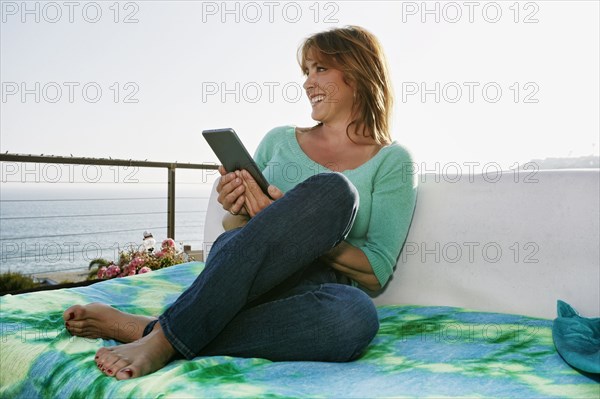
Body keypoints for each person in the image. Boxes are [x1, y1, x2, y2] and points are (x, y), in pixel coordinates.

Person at [63, 25, 417, 380]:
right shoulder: (279, 140)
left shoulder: (392, 160)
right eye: (306, 72)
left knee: (354, 309)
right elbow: (235, 232)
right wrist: (240, 209)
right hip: (241, 272)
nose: (308, 82)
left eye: (320, 69)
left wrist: (287, 223)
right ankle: (165, 340)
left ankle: (156, 329)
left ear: (359, 71)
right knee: (320, 198)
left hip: (310, 291)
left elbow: (374, 272)